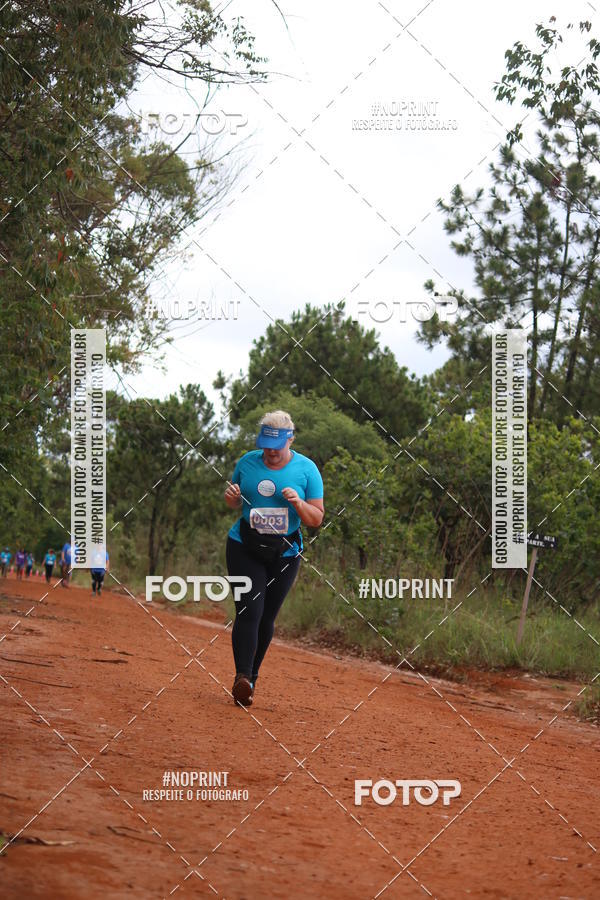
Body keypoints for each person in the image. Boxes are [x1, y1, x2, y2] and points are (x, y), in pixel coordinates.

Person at [224, 410, 324, 707]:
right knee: (249, 611)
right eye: (265, 444)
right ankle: (241, 677)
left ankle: (251, 678)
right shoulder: (247, 461)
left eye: (276, 446)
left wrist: (298, 503)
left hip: (285, 552)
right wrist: (231, 496)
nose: (269, 451)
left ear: (290, 439)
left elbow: (316, 519)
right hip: (243, 545)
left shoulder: (307, 470)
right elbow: (232, 501)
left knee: (267, 617)